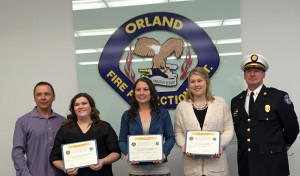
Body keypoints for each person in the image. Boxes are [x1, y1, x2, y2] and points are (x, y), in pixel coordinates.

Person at [231, 54, 299, 176]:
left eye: (257, 71)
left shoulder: (278, 97)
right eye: (248, 71)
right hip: (246, 165)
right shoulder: (236, 101)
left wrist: (280, 148)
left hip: (273, 165)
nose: (252, 74)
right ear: (244, 75)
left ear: (264, 74)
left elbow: (292, 128)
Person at [174, 67, 234, 176]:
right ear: (189, 85)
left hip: (216, 167)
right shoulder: (181, 107)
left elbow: (229, 129)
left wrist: (218, 145)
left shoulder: (220, 103)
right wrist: (184, 145)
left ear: (206, 82)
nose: (196, 84)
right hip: (192, 169)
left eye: (199, 80)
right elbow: (178, 133)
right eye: (192, 81)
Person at [50, 93, 121, 176]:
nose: (80, 107)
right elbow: (54, 158)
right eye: (77, 104)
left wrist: (103, 161)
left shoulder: (104, 127)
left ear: (91, 106)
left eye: (84, 103)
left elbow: (116, 152)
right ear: (73, 109)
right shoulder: (65, 129)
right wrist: (66, 169)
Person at [119, 77, 175, 176]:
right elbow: (122, 141)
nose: (141, 93)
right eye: (138, 89)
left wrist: (164, 153)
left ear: (151, 92)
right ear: (134, 92)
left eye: (145, 89)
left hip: (160, 170)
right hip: (136, 171)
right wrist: (128, 154)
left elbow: (170, 138)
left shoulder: (163, 113)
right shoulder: (127, 115)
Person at [12, 81, 66, 176]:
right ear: (34, 98)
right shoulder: (23, 121)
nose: (43, 98)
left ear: (54, 97)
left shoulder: (63, 122)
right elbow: (17, 153)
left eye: (47, 94)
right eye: (39, 94)